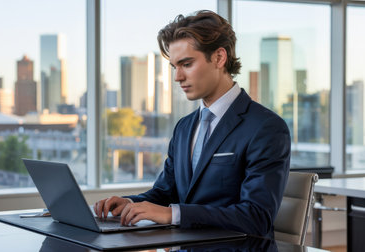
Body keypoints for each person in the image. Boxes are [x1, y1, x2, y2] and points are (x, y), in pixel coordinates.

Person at [94, 10, 290, 239]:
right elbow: (165, 192)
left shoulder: (265, 127)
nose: (177, 77)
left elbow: (256, 218)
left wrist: (173, 215)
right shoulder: (184, 127)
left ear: (219, 57)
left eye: (186, 64)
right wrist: (128, 203)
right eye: (174, 67)